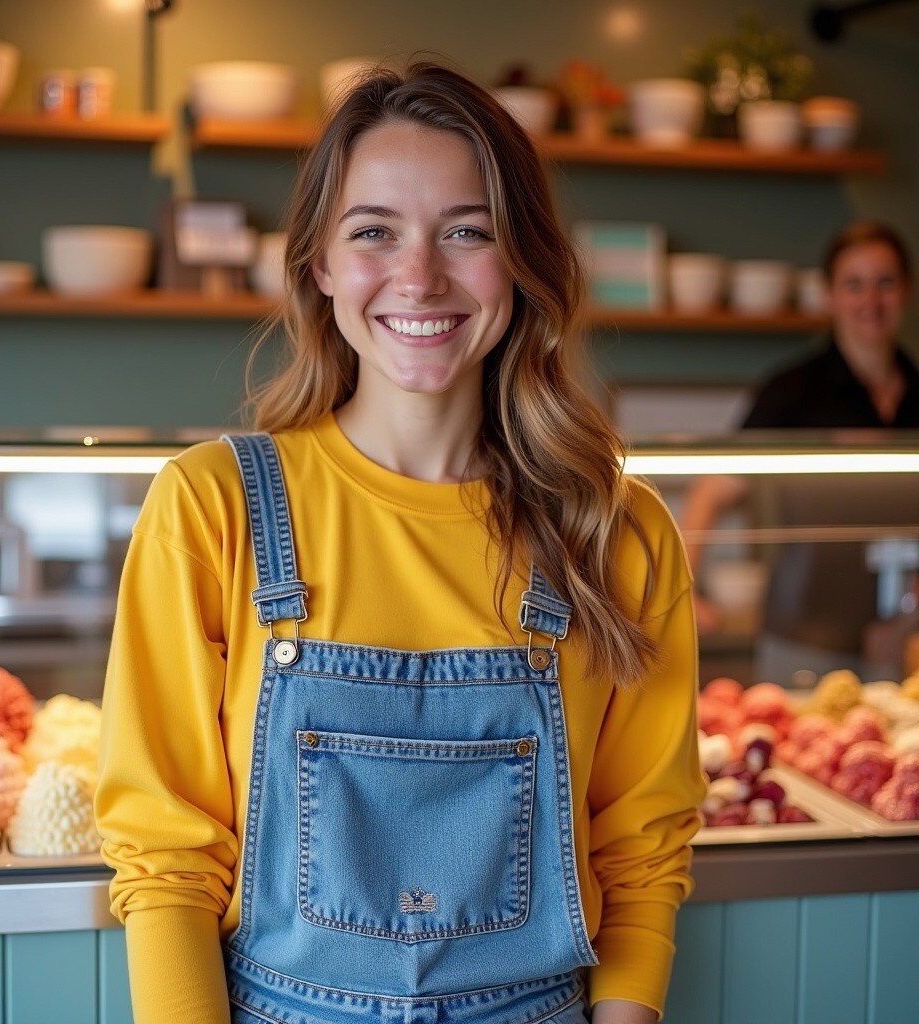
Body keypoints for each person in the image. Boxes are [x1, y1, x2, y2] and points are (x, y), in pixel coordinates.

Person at [95, 62, 703, 1024]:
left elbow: (643, 848)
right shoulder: (213, 508)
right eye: (374, 232)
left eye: (468, 232)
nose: (419, 276)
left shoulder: (617, 532)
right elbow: (166, 854)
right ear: (321, 265)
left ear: (524, 263)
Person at [681, 221, 919, 681]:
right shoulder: (791, 392)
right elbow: (711, 490)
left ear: (905, 292)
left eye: (885, 282)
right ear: (829, 294)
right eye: (854, 284)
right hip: (804, 641)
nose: (871, 300)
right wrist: (681, 592)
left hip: (906, 642)